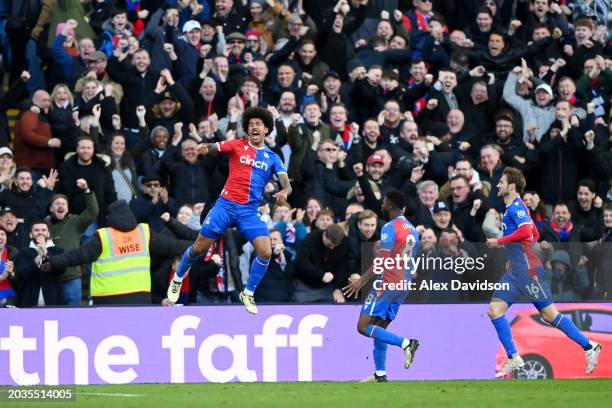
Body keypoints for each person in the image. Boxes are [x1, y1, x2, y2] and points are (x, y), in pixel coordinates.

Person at [167, 107, 292, 313]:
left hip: (249, 212)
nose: (253, 127)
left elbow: (286, 184)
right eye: (250, 124)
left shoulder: (273, 157)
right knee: (198, 248)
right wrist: (206, 147)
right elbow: (216, 146)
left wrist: (284, 193)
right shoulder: (237, 144)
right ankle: (178, 277)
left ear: (267, 129)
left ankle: (248, 292)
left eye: (258, 124)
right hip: (226, 206)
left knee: (266, 251)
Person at [486, 167, 601, 378]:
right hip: (516, 271)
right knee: (494, 310)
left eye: (501, 182)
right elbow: (535, 233)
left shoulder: (516, 209)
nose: (498, 185)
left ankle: (589, 346)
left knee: (550, 315)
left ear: (511, 186)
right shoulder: (517, 208)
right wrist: (518, 254)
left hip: (529, 272)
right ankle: (513, 357)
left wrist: (499, 241)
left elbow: (525, 231)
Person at [343, 190, 421, 382]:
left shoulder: (389, 227)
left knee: (363, 327)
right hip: (404, 284)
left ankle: (406, 343)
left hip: (387, 283)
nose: (382, 205)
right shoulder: (412, 229)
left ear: (391, 205)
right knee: (380, 328)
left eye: (384, 202)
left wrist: (362, 280)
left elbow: (384, 259)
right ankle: (380, 373)